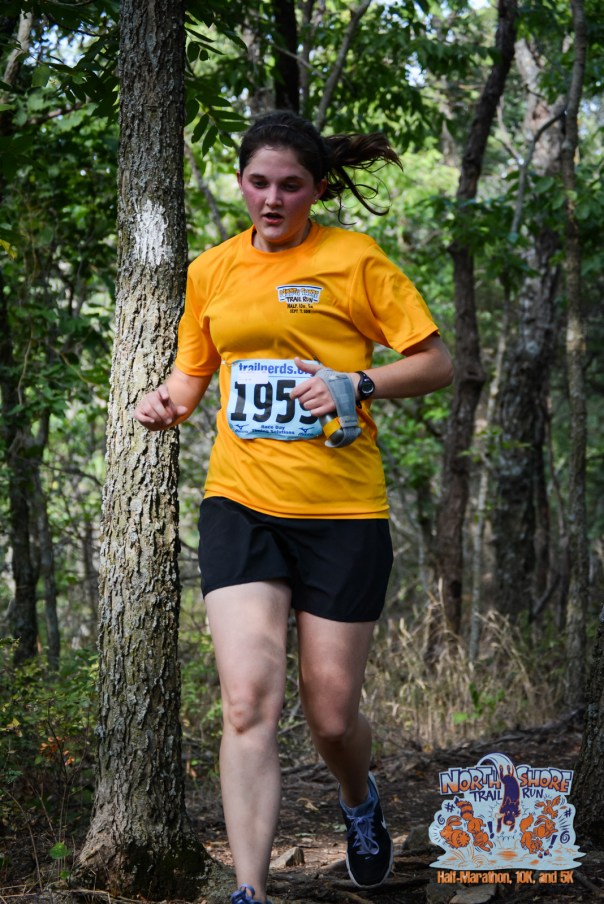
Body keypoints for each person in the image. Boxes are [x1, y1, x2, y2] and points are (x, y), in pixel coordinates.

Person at [134, 110, 453, 904]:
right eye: (258, 183)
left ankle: (359, 801)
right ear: (240, 182)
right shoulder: (211, 270)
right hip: (241, 503)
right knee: (246, 701)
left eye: (290, 186)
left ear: (315, 189)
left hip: (343, 510)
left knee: (333, 717)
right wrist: (165, 403)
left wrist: (359, 382)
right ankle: (251, 891)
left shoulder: (353, 258)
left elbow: (438, 362)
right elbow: (192, 373)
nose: (272, 200)